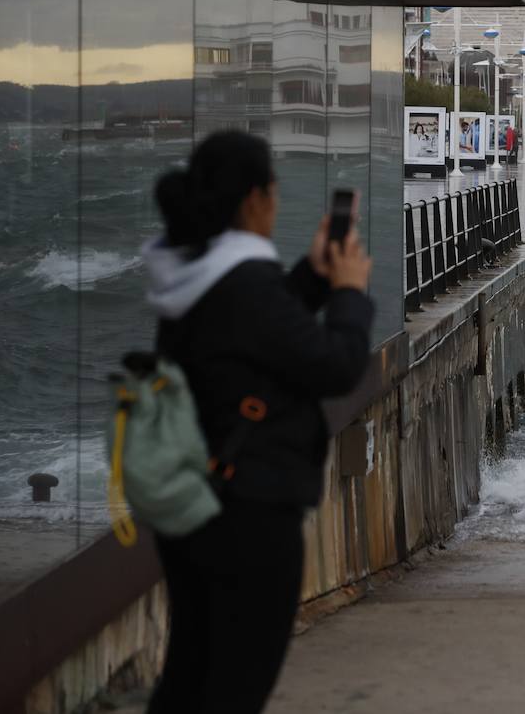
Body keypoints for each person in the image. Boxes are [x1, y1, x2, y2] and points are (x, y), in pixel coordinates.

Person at [142, 131, 374, 713]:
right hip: (250, 512)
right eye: (273, 190)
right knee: (235, 686)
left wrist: (315, 279)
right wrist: (347, 295)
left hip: (198, 503)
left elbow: (261, 340)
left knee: (192, 671)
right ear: (254, 199)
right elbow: (337, 366)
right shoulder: (245, 287)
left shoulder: (195, 282)